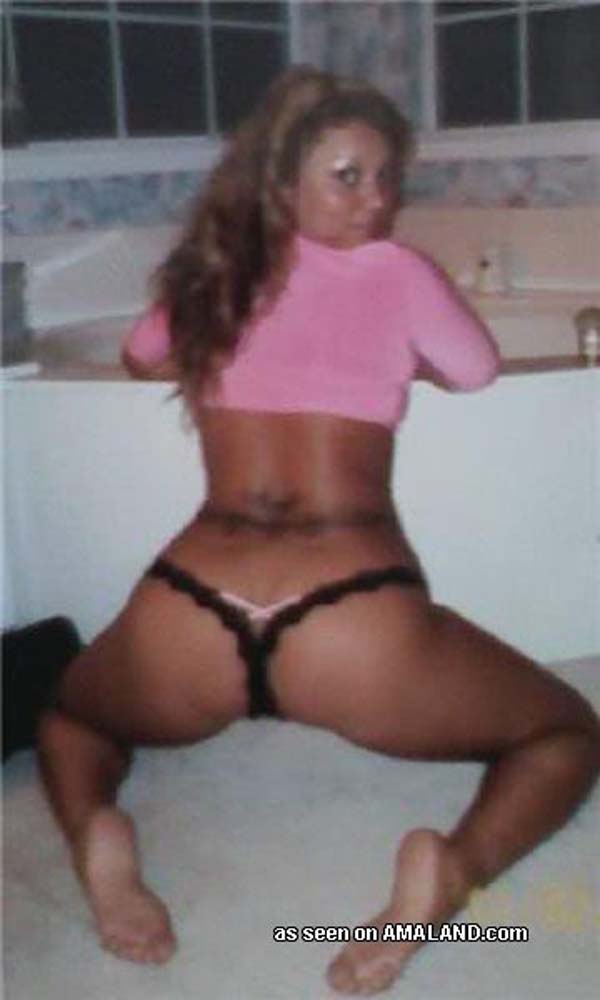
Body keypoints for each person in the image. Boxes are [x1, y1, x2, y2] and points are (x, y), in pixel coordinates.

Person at [36, 67, 599, 995]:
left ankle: (101, 835)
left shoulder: (214, 276)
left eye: (386, 178)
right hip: (352, 614)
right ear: (282, 181)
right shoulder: (399, 272)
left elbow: (139, 357)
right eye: (348, 177)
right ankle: (450, 872)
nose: (376, 201)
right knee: (565, 733)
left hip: (190, 603)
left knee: (71, 720)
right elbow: (476, 370)